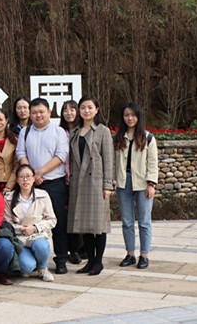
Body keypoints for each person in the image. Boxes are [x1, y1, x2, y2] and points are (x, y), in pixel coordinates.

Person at [15, 97, 70, 275]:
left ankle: (61, 259)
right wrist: (32, 175)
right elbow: (21, 153)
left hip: (54, 183)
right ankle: (33, 258)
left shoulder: (59, 131)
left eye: (41, 112)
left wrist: (40, 172)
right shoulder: (25, 131)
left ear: (49, 113)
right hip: (30, 185)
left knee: (57, 222)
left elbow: (61, 155)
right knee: (29, 221)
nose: (38, 115)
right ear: (30, 114)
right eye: (34, 112)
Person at [68, 95, 114, 276]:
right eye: (83, 107)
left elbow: (109, 159)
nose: (86, 111)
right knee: (85, 226)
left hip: (96, 183)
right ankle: (90, 261)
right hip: (78, 184)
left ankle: (98, 262)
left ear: (96, 110)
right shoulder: (75, 132)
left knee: (98, 226)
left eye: (89, 107)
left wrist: (108, 185)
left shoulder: (103, 131)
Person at [113, 102, 158, 270]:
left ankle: (144, 255)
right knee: (127, 221)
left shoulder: (148, 138)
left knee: (144, 221)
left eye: (133, 115)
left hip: (142, 182)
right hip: (123, 182)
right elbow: (113, 162)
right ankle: (130, 254)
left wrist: (151, 184)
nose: (130, 118)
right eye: (126, 115)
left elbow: (152, 163)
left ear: (138, 117)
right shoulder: (118, 138)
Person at [5, 164, 57, 282]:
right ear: (17, 180)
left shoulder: (43, 195)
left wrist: (35, 227)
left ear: (34, 178)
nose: (25, 180)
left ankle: (43, 267)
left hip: (38, 236)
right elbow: (6, 222)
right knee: (26, 267)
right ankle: (31, 262)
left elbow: (52, 220)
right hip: (20, 238)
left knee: (41, 246)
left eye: (28, 176)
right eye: (22, 177)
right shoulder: (9, 198)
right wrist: (20, 229)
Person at [59, 99, 84, 265]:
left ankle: (78, 249)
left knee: (78, 215)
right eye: (65, 110)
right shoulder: (59, 131)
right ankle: (69, 250)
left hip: (79, 178)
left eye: (72, 109)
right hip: (62, 177)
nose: (69, 113)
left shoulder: (83, 131)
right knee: (64, 215)